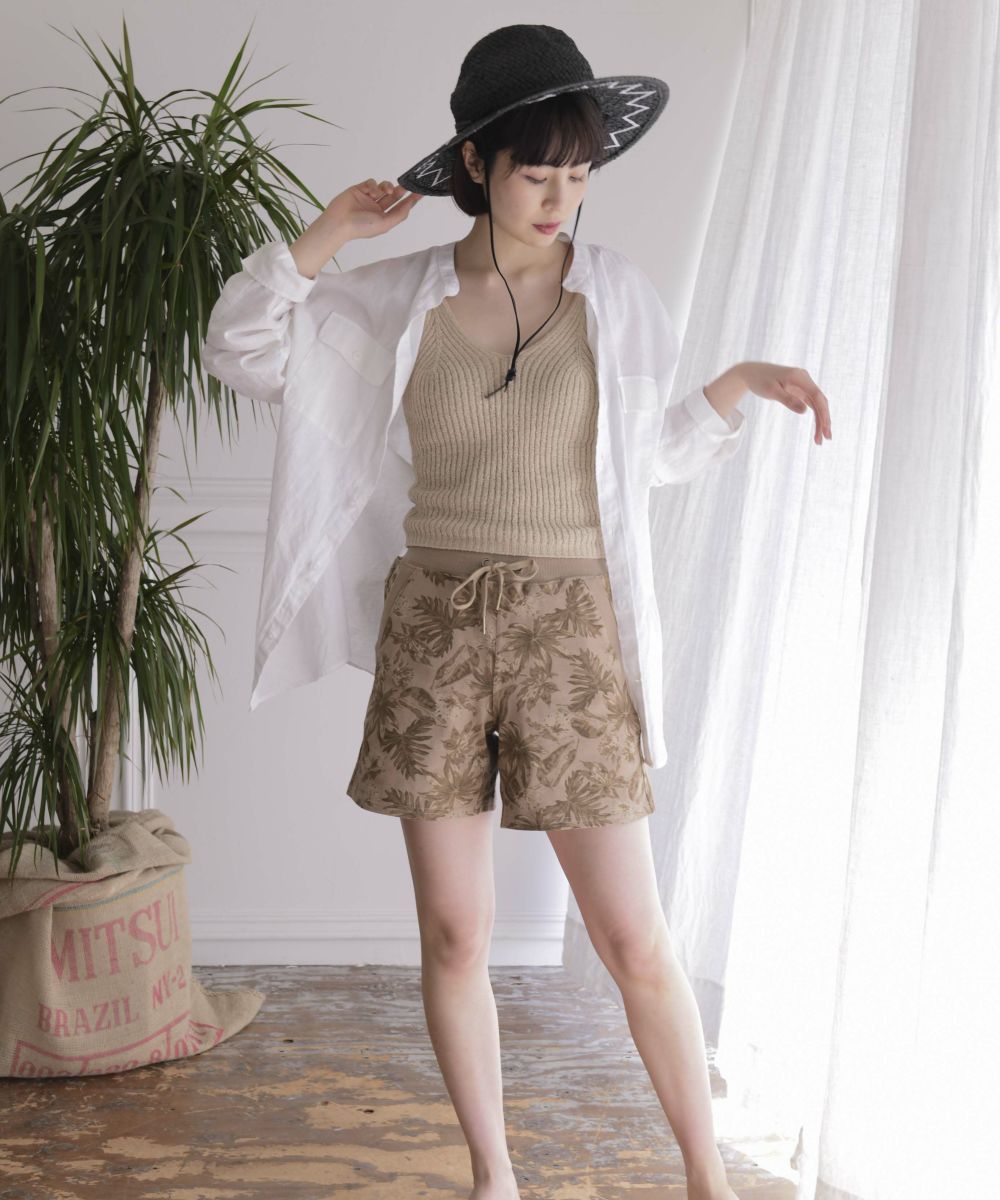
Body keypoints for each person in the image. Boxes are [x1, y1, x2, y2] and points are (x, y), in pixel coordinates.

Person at [204, 25, 831, 1200]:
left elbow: (642, 461)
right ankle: (494, 1176)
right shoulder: (393, 302)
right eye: (538, 172)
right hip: (436, 634)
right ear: (476, 163)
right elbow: (240, 348)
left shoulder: (615, 297)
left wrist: (738, 386)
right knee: (455, 933)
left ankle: (707, 1178)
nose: (561, 199)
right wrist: (326, 237)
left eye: (580, 174)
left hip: (571, 633)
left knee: (632, 936)